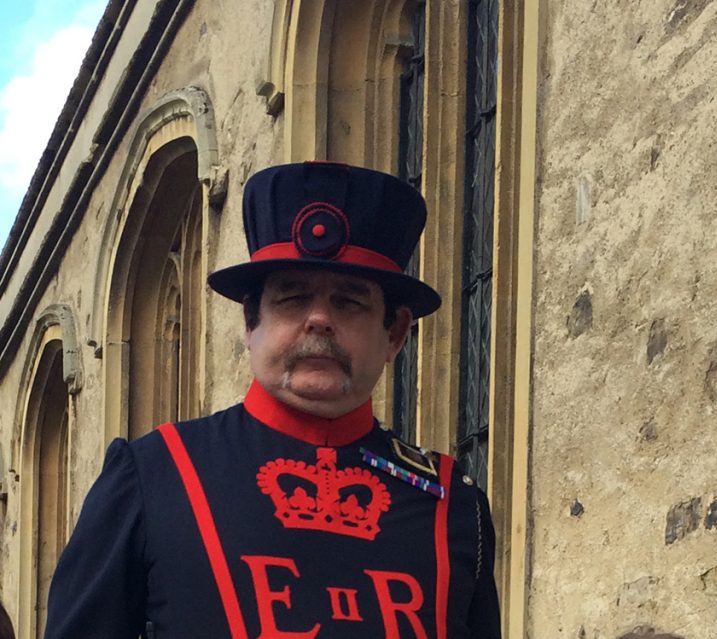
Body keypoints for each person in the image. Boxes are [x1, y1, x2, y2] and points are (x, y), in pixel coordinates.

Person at [43, 162, 501, 638]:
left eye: (349, 301)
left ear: (395, 334)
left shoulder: (453, 506)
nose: (319, 319)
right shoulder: (154, 475)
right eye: (292, 297)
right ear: (249, 321)